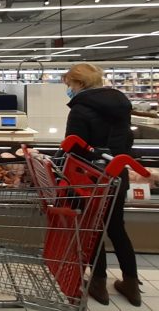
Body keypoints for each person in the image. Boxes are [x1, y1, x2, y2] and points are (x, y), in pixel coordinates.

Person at [63, 63, 141, 306]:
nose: (69, 90)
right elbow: (126, 139)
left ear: (80, 84)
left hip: (90, 178)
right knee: (117, 228)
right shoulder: (120, 105)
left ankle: (98, 283)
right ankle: (131, 284)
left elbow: (74, 148)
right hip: (116, 175)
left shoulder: (80, 108)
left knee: (93, 229)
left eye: (69, 85)